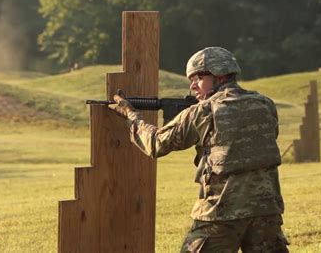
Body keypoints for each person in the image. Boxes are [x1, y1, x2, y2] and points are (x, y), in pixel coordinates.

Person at [109, 47, 289, 252]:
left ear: (219, 75)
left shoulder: (202, 111)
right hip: (267, 210)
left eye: (198, 78)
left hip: (221, 213)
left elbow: (156, 144)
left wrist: (131, 115)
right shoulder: (265, 104)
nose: (193, 86)